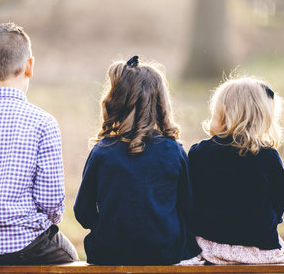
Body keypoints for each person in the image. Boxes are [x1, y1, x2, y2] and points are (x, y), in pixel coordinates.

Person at [0, 23, 78, 265]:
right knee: (71, 258)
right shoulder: (43, 123)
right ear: (30, 66)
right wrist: (46, 221)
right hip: (23, 242)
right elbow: (50, 200)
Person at [73, 56, 202, 265]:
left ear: (115, 100)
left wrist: (108, 227)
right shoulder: (173, 150)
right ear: (161, 102)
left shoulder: (102, 151)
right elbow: (188, 208)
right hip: (165, 250)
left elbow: (82, 211)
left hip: (108, 252)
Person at [188, 76, 284, 264]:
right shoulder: (268, 156)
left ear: (222, 114)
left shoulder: (199, 152)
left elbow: (189, 196)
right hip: (257, 246)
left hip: (208, 245)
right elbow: (279, 199)